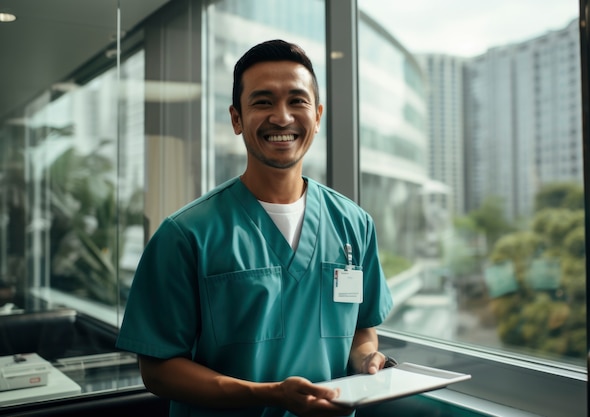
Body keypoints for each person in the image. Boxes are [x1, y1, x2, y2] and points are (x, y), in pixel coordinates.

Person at [116, 39, 393, 417]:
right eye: (263, 102)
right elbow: (158, 370)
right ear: (236, 118)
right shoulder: (186, 234)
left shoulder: (354, 224)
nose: (282, 117)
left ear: (318, 115)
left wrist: (365, 361)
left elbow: (362, 329)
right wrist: (267, 394)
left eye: (297, 101)